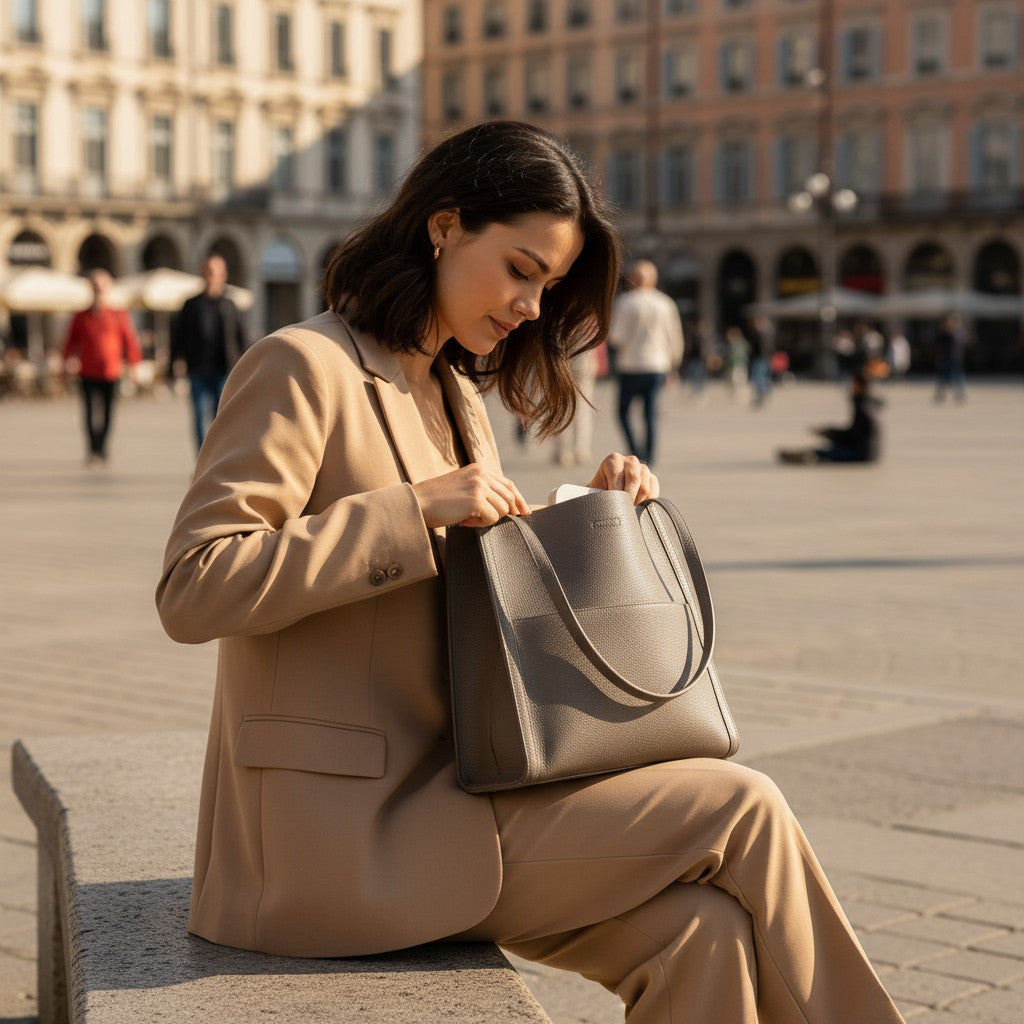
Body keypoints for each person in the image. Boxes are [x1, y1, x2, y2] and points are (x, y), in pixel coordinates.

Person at [155, 121, 904, 1024]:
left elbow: (472, 582)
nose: (532, 307)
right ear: (444, 227)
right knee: (742, 804)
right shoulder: (302, 366)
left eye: (548, 285)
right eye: (521, 269)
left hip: (461, 797)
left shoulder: (457, 394)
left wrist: (590, 521)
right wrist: (411, 509)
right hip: (327, 841)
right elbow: (195, 585)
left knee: (701, 931)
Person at [607, 260, 684, 466]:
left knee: (623, 412)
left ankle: (635, 452)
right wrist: (674, 364)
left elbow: (617, 337)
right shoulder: (665, 303)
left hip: (630, 365)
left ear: (632, 279)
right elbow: (675, 337)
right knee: (650, 414)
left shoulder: (625, 302)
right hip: (657, 365)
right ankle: (649, 457)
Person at [61, 269, 141, 465]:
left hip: (111, 371)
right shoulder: (81, 316)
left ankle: (103, 447)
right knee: (89, 412)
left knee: (107, 413)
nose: (99, 290)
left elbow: (129, 341)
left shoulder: (118, 315)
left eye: (102, 286)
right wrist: (64, 363)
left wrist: (133, 365)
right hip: (88, 371)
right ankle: (92, 449)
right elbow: (70, 341)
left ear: (108, 288)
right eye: (95, 286)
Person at [169, 254, 248, 452]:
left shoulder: (229, 305)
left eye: (214, 272)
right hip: (197, 369)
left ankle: (217, 456)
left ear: (223, 275)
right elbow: (178, 336)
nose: (210, 276)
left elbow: (242, 337)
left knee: (221, 417)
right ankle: (202, 458)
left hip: (224, 369)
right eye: (207, 272)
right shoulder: (191, 305)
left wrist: (248, 365)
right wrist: (171, 365)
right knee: (198, 415)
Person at [777, 370, 882, 464]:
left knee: (821, 452)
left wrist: (829, 433)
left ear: (859, 386)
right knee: (831, 447)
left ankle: (806, 455)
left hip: (862, 454)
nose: (850, 387)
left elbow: (854, 434)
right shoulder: (869, 403)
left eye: (853, 383)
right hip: (870, 452)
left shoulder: (863, 406)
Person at [554, 346, 598, 467]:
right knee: (583, 409)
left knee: (561, 409)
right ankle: (581, 449)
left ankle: (564, 451)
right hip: (584, 361)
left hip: (561, 360)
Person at [934, 312, 968, 403]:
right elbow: (939, 344)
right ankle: (940, 395)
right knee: (943, 377)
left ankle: (959, 394)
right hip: (945, 358)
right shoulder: (944, 333)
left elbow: (960, 343)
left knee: (957, 377)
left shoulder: (958, 333)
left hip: (955, 358)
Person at [746, 313, 775, 407]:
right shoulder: (768, 332)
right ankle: (764, 392)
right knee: (762, 376)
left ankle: (761, 394)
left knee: (758, 376)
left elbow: (759, 347)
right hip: (764, 357)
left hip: (760, 357)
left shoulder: (760, 333)